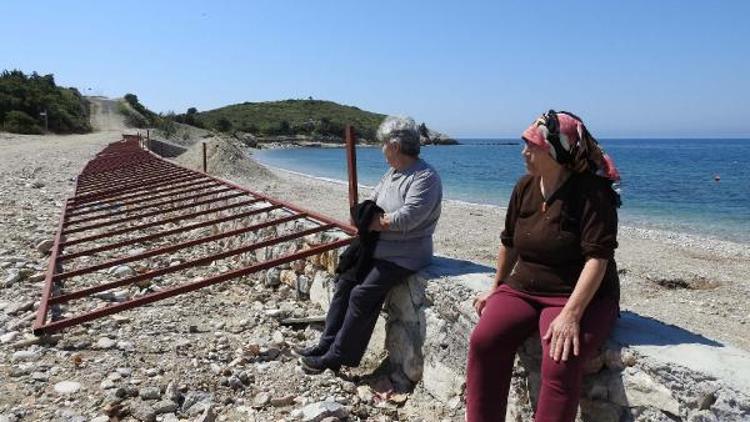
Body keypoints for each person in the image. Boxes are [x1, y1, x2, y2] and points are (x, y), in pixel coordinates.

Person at [466, 110, 622, 421]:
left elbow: (597, 259)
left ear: (555, 152)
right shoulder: (525, 186)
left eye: (532, 146)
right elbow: (509, 242)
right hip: (523, 287)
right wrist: (496, 288)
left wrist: (571, 315)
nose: (524, 152)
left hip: (578, 295)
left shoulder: (593, 194)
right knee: (483, 342)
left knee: (560, 360)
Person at [296, 116, 443, 373]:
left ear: (395, 146)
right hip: (377, 250)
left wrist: (372, 221)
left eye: (383, 144)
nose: (381, 150)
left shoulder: (424, 177)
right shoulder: (392, 173)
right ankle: (326, 344)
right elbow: (371, 203)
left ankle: (338, 356)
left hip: (404, 255)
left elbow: (408, 217)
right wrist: (372, 217)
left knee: (361, 295)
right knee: (345, 284)